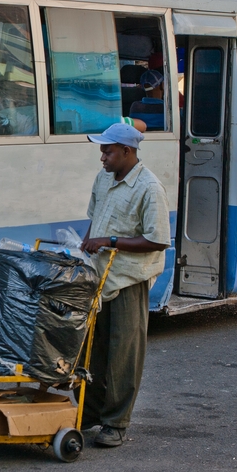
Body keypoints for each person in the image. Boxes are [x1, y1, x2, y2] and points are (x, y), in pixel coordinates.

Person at [79, 123, 170, 448]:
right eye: (102, 150)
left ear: (127, 152)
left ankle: (116, 423)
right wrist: (89, 241)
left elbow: (157, 241)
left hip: (128, 280)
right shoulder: (104, 178)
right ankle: (88, 413)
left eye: (108, 151)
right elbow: (95, 214)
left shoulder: (149, 187)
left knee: (123, 355)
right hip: (98, 277)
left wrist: (110, 241)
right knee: (92, 351)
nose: (102, 157)